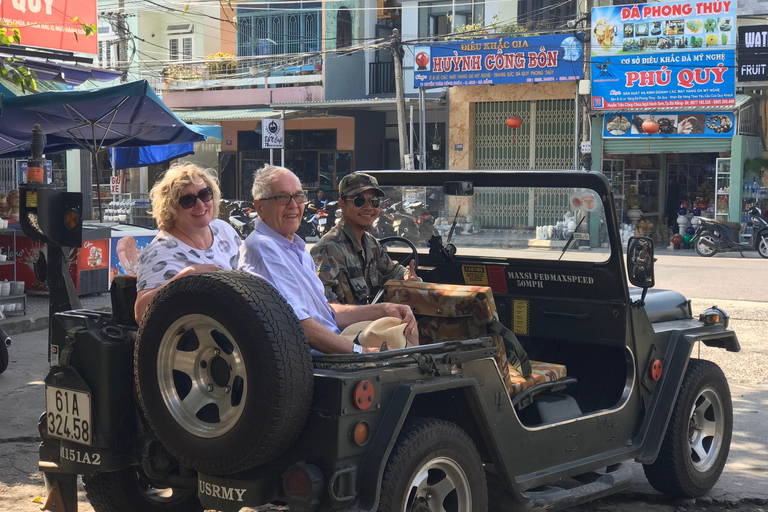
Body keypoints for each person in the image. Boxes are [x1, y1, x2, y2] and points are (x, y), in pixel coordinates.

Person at [238, 165, 417, 354]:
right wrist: (361, 352)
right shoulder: (263, 248)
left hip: (335, 339)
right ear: (259, 207)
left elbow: (325, 312)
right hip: (319, 360)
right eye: (282, 197)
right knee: (401, 336)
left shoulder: (295, 248)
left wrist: (385, 309)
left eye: (298, 197)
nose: (293, 205)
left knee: (403, 323)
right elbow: (299, 324)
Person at [134, 163, 241, 323]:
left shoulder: (223, 229)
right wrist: (184, 278)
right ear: (171, 208)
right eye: (188, 200)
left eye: (205, 194)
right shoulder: (159, 252)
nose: (200, 204)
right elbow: (141, 313)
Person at [311, 172, 420, 305]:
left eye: (374, 201)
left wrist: (409, 277)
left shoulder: (370, 243)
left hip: (370, 320)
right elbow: (322, 305)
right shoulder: (328, 249)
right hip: (345, 324)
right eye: (359, 200)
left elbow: (393, 272)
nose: (369, 207)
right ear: (342, 204)